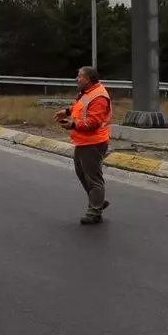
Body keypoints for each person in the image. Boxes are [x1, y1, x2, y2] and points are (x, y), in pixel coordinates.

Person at [53, 65, 113, 225]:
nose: (76, 79)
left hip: (93, 142)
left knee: (93, 178)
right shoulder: (88, 93)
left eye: (79, 76)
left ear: (87, 79)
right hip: (83, 141)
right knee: (82, 174)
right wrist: (66, 112)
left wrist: (73, 125)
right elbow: (80, 107)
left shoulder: (99, 97)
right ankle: (98, 201)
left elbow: (93, 122)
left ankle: (94, 211)